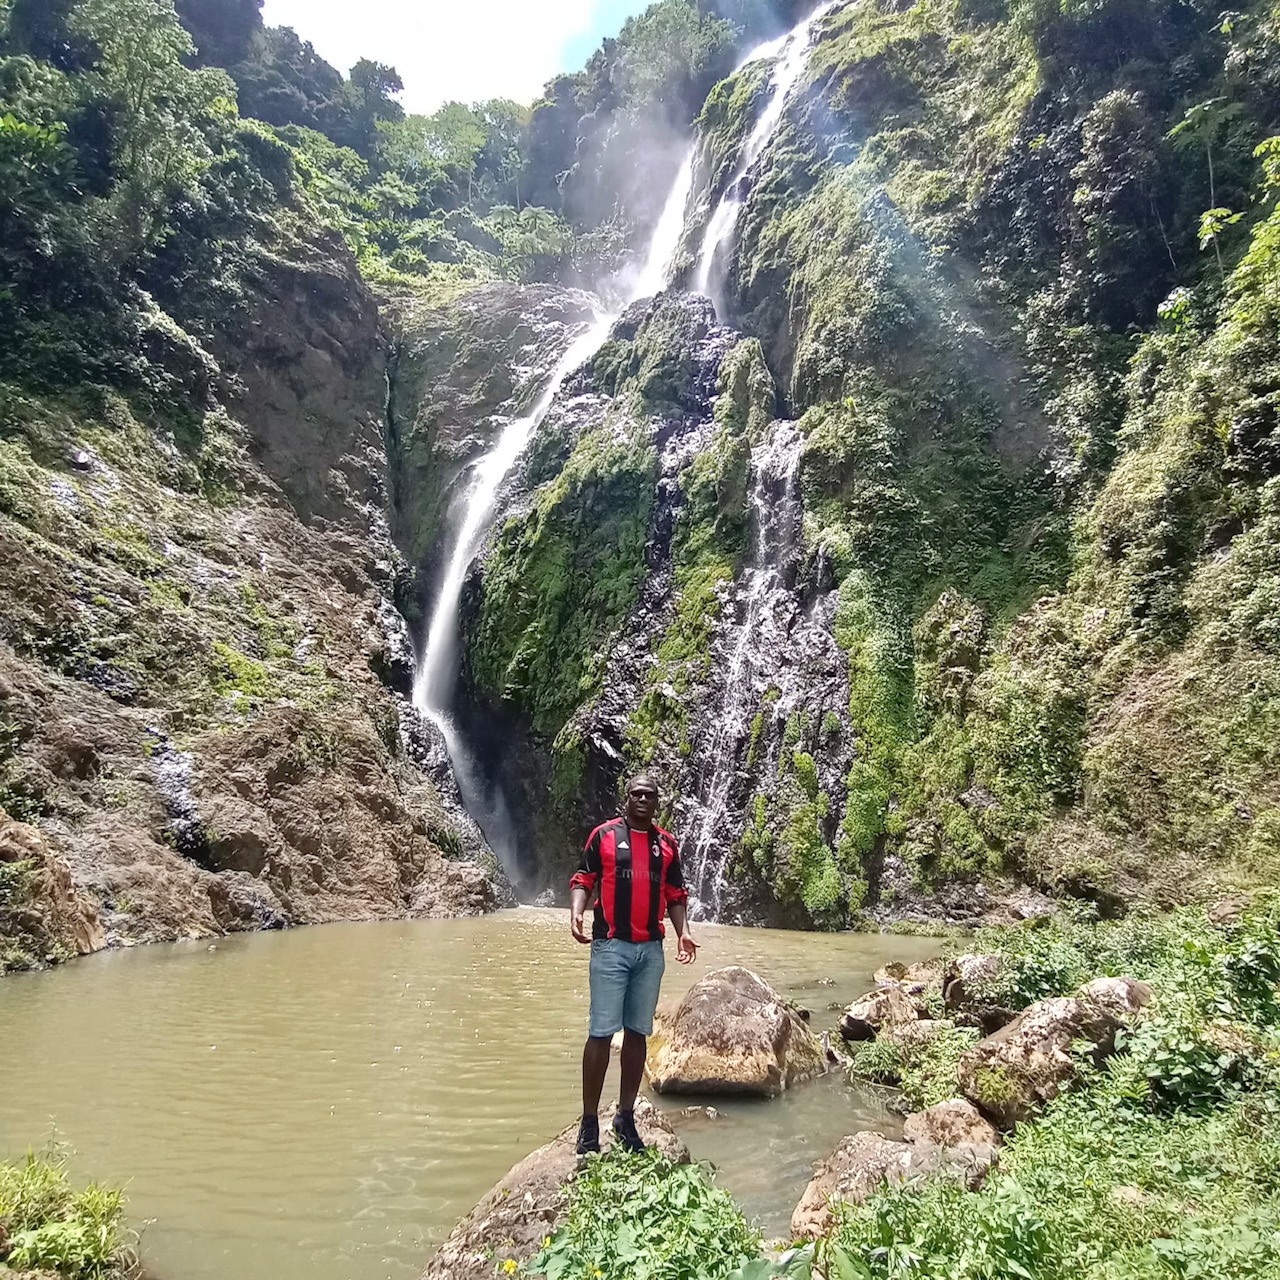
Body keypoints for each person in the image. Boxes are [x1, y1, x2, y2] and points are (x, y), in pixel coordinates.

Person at [569, 774, 698, 1154]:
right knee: (600, 1032)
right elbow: (583, 878)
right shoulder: (604, 836)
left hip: (650, 951)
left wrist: (683, 932)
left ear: (657, 802)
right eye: (636, 794)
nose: (642, 799)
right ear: (626, 798)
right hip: (610, 947)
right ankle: (589, 1122)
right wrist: (576, 913)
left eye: (650, 795)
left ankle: (625, 1117)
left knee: (638, 1033)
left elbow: (675, 894)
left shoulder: (667, 844)